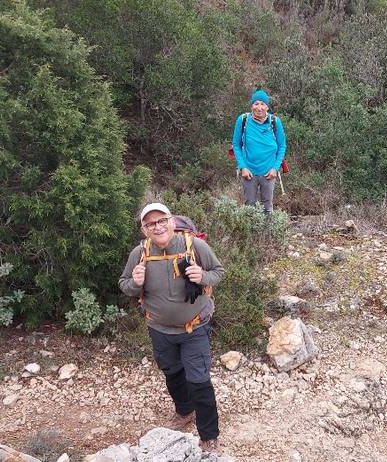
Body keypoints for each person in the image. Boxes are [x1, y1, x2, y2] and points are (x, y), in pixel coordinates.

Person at [118, 202, 226, 452]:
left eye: (162, 220)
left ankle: (209, 436)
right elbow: (124, 284)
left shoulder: (194, 246)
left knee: (199, 380)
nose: (157, 227)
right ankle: (184, 411)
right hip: (159, 329)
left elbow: (219, 271)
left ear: (172, 221)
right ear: (144, 229)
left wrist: (204, 277)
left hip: (194, 328)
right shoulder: (140, 253)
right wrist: (135, 283)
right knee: (173, 374)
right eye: (150, 224)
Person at [232, 89, 287, 213]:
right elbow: (236, 145)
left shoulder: (275, 122)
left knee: (267, 207)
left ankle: (268, 232)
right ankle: (249, 233)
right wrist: (243, 167)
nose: (259, 107)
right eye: (256, 104)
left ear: (267, 107)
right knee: (249, 207)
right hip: (249, 172)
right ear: (252, 106)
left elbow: (282, 146)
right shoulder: (243, 120)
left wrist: (275, 168)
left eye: (262, 104)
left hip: (269, 172)